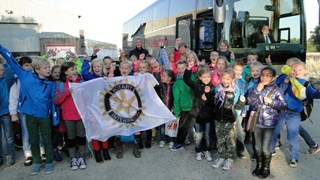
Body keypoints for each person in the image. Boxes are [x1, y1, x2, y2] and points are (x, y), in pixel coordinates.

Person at [0, 45, 56, 175]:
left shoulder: (50, 83)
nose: (49, 70)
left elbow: (52, 101)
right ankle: (37, 162)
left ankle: (48, 162)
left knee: (47, 139)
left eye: (49, 67)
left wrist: (54, 116)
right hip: (29, 114)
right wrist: (1, 48)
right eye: (46, 68)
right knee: (33, 139)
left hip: (44, 116)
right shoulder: (25, 75)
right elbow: (11, 60)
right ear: (37, 69)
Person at [271, 59, 320, 168]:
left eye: (299, 70)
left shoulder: (305, 84)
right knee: (274, 131)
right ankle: (271, 150)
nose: (296, 72)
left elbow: (313, 94)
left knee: (292, 136)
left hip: (294, 114)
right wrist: (286, 81)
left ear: (305, 71)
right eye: (293, 69)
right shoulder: (286, 79)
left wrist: (319, 92)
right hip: (282, 112)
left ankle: (294, 157)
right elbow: (277, 89)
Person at [247, 67, 287, 178]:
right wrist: (257, 90)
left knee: (265, 148)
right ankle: (259, 165)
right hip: (257, 121)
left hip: (270, 123)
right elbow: (250, 101)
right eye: (263, 75)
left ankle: (266, 168)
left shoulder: (276, 90)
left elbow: (284, 105)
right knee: (257, 147)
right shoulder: (257, 87)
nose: (264, 77)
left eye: (268, 75)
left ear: (273, 78)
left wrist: (272, 102)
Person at [54, 62, 88, 170]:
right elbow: (56, 100)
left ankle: (82, 157)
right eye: (71, 69)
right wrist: (67, 92)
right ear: (65, 72)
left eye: (74, 68)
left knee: (81, 136)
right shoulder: (61, 84)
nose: (74, 70)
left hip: (81, 114)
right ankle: (73, 157)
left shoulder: (81, 82)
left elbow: (89, 95)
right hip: (68, 116)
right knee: (71, 137)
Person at [212, 69, 246, 171]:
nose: (225, 81)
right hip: (218, 119)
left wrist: (241, 103)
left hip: (230, 120)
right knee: (220, 139)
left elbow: (238, 107)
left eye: (228, 79)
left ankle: (230, 158)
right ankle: (221, 156)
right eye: (224, 78)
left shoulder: (236, 91)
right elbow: (215, 103)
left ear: (232, 79)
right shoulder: (218, 89)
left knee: (230, 140)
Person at [81, 58, 112, 163]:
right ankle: (97, 152)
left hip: (104, 109)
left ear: (102, 68)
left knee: (104, 131)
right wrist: (86, 61)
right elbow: (84, 73)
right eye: (95, 67)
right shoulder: (90, 78)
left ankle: (105, 151)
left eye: (99, 66)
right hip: (92, 110)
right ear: (92, 68)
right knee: (95, 131)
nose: (97, 68)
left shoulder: (105, 78)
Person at [183, 65, 215, 162]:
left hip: (208, 116)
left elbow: (213, 103)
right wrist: (188, 68)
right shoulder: (196, 85)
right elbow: (186, 79)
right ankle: (198, 151)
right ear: (200, 77)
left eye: (208, 77)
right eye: (204, 77)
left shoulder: (213, 87)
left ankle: (207, 151)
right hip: (197, 115)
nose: (206, 79)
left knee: (207, 135)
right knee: (198, 135)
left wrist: (208, 96)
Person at [9, 56, 34, 166]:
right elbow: (13, 97)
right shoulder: (17, 80)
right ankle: (28, 153)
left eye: (30, 65)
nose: (28, 67)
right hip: (23, 110)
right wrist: (13, 113)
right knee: (26, 131)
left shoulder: (35, 77)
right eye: (26, 65)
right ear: (20, 66)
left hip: (35, 109)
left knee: (37, 130)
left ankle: (40, 150)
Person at [170, 60, 195, 151]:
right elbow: (176, 100)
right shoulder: (177, 83)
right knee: (182, 128)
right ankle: (179, 143)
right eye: (179, 68)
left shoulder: (193, 78)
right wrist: (177, 114)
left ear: (187, 68)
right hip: (185, 108)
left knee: (199, 127)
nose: (181, 70)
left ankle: (203, 147)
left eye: (183, 68)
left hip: (196, 107)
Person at [0, 55, 15, 166]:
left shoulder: (7, 80)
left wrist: (4, 61)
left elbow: (10, 73)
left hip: (5, 112)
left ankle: (10, 155)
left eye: (2, 69)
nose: (1, 71)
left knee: (8, 136)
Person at [232, 60, 248, 159]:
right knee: (230, 131)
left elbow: (245, 97)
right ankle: (231, 149)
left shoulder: (243, 83)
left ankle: (240, 149)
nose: (237, 72)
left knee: (239, 130)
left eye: (240, 70)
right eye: (236, 69)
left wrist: (244, 111)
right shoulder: (228, 80)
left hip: (239, 111)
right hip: (228, 110)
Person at [158, 69, 176, 149]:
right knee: (162, 125)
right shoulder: (161, 85)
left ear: (169, 78)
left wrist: (174, 107)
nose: (162, 77)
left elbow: (175, 97)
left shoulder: (174, 85)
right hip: (163, 108)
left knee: (171, 125)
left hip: (171, 108)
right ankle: (162, 139)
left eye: (164, 76)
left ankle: (172, 140)